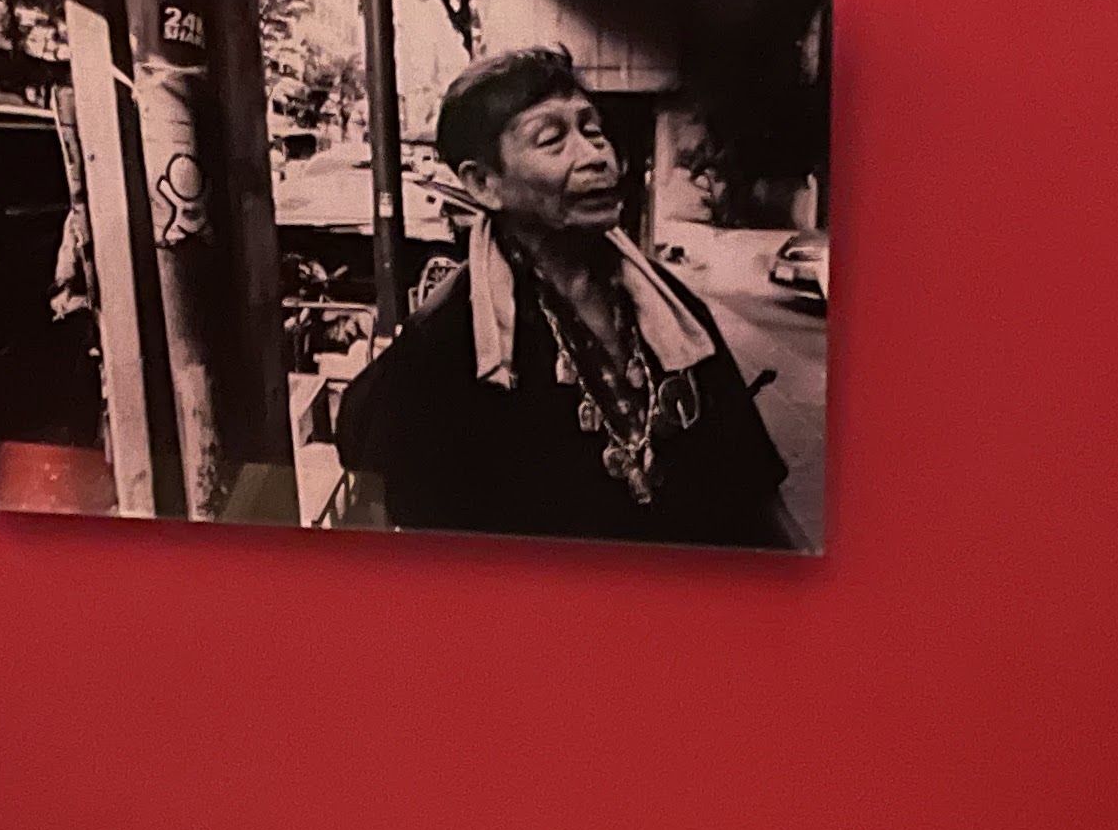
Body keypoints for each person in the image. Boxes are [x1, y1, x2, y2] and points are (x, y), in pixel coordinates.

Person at [334, 48, 797, 547]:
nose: (597, 156)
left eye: (593, 131)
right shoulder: (446, 341)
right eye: (552, 139)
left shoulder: (677, 311)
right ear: (484, 183)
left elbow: (754, 493)